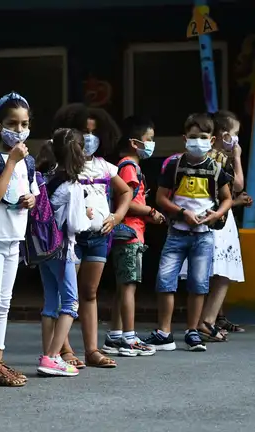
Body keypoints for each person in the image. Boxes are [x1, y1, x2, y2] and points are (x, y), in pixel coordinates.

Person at [143, 113, 233, 352]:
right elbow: (161, 198)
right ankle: (164, 332)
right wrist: (182, 213)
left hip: (204, 235)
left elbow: (227, 198)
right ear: (185, 139)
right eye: (193, 137)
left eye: (203, 137)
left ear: (211, 140)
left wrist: (216, 214)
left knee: (198, 284)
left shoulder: (216, 169)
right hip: (176, 233)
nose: (198, 142)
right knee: (165, 281)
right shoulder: (174, 166)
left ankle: (193, 331)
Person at [52, 104, 131, 369]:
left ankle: (92, 350)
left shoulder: (105, 167)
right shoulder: (62, 168)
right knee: (66, 294)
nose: (89, 138)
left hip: (99, 237)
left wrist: (117, 217)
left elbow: (126, 192)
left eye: (94, 132)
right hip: (70, 238)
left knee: (89, 292)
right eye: (83, 131)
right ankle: (63, 350)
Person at [0, 92, 38, 386]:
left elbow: (33, 194)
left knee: (5, 302)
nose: (19, 129)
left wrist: (31, 200)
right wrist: (11, 162)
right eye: (12, 124)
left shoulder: (29, 161)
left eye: (24, 124)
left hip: (14, 238)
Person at [101, 116, 165, 357]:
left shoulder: (125, 165)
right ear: (134, 142)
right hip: (130, 233)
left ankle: (115, 335)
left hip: (128, 233)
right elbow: (126, 202)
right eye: (149, 139)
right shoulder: (129, 167)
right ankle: (129, 337)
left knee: (122, 286)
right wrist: (151, 211)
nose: (152, 144)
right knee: (129, 287)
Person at [36, 128, 91, 376]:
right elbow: (77, 224)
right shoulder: (72, 185)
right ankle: (52, 356)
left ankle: (47, 354)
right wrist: (88, 215)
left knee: (50, 303)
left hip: (43, 249)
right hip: (62, 249)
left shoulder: (46, 177)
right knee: (70, 303)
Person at [196, 110, 252, 339]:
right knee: (223, 272)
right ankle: (207, 322)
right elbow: (237, 185)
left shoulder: (202, 156)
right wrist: (237, 157)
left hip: (205, 216)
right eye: (235, 134)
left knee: (206, 272)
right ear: (224, 135)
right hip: (219, 220)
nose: (236, 139)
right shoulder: (220, 158)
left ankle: (203, 321)